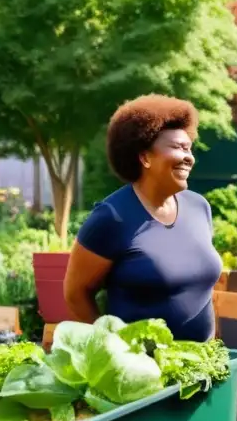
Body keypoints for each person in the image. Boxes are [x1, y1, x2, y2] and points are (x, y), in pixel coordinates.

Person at [64, 95, 222, 341]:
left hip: (201, 365)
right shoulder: (112, 217)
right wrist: (114, 349)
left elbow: (202, 290)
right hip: (143, 373)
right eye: (177, 147)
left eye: (188, 147)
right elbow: (75, 293)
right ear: (145, 157)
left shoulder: (199, 207)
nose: (188, 156)